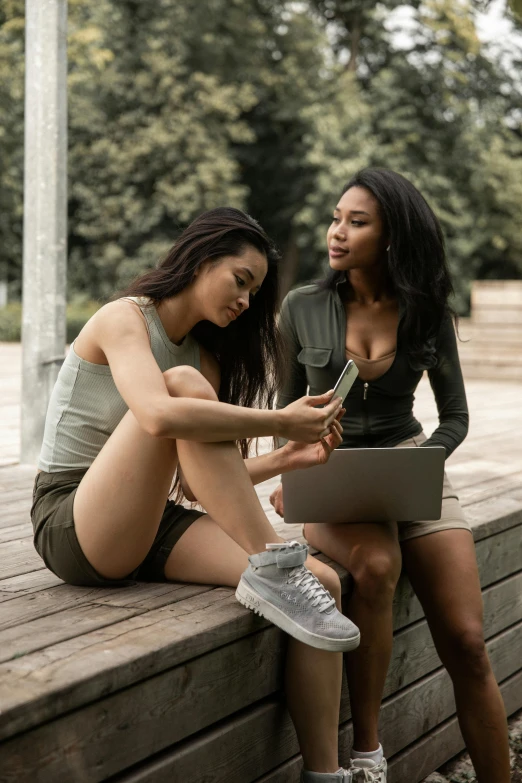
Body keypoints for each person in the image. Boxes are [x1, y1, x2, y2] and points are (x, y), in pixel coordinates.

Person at [31, 207, 361, 783]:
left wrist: (287, 458)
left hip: (150, 521)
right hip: (72, 521)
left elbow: (198, 481)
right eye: (240, 280)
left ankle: (324, 774)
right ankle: (273, 566)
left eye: (255, 293)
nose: (245, 301)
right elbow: (158, 418)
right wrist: (281, 421)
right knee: (180, 391)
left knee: (326, 585)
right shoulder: (123, 319)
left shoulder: (205, 356)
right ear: (200, 259)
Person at [270, 169, 511, 783]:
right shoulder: (302, 306)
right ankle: (370, 756)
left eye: (357, 221)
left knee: (467, 642)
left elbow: (454, 417)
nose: (337, 232)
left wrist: (425, 461)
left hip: (412, 466)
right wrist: (293, 468)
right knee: (376, 567)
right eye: (335, 218)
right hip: (332, 474)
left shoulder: (426, 312)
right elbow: (284, 413)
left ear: (393, 234)